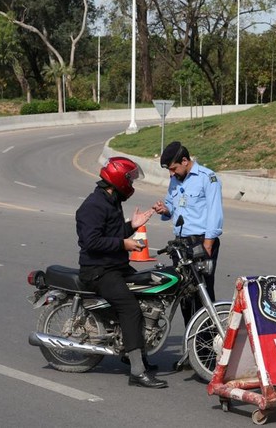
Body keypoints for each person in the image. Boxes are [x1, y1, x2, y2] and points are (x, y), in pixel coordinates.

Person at [76, 157, 168, 389]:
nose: (132, 183)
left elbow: (112, 233)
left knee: (148, 289)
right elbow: (91, 242)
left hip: (115, 265)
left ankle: (133, 349)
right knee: (130, 308)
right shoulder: (93, 205)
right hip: (98, 270)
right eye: (130, 178)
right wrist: (124, 244)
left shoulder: (111, 199)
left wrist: (132, 226)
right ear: (119, 179)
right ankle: (137, 371)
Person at [152, 141, 224, 326]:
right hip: (180, 245)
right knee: (184, 295)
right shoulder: (175, 180)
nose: (171, 173)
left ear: (185, 161)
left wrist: (208, 245)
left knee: (203, 294)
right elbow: (172, 207)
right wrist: (165, 210)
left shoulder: (207, 178)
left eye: (173, 168)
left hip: (201, 242)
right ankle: (191, 341)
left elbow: (215, 213)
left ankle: (205, 346)